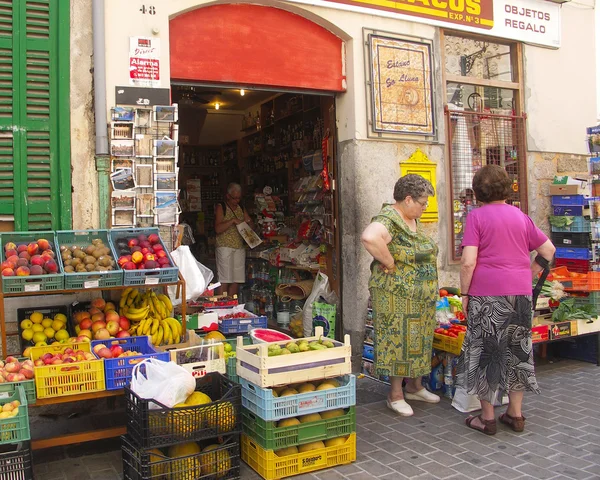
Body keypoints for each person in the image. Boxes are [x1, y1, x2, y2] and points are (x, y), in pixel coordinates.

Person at [457, 164, 555, 435]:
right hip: (520, 294)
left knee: (486, 353)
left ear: (478, 192)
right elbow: (548, 249)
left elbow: (468, 262)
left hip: (487, 295)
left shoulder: (476, 218)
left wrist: (465, 293)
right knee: (517, 351)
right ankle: (515, 414)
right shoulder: (521, 216)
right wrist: (529, 271)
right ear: (507, 189)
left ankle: (487, 418)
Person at [361, 174, 440, 417]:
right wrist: (389, 263)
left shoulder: (409, 219)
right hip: (397, 295)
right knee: (400, 340)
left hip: (419, 297)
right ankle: (395, 394)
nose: (425, 207)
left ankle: (414, 386)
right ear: (407, 200)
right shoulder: (389, 218)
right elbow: (369, 237)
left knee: (420, 337)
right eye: (422, 202)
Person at [214, 183, 252, 296]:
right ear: (228, 196)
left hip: (239, 247)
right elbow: (218, 228)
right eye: (234, 198)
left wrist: (250, 223)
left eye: (239, 198)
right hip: (224, 247)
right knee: (225, 279)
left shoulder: (241, 207)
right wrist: (232, 221)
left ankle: (232, 306)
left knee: (237, 280)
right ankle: (222, 305)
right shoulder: (222, 207)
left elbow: (249, 224)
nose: (236, 200)